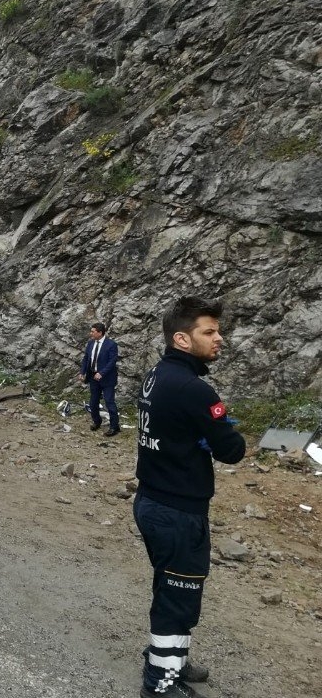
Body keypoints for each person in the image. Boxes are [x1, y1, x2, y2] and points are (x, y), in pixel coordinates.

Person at [134, 297, 246, 698]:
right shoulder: (194, 389)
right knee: (179, 596)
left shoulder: (157, 374)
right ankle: (160, 683)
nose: (220, 338)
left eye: (218, 330)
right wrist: (223, 428)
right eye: (209, 332)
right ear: (182, 339)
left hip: (153, 500)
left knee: (173, 587)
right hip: (177, 509)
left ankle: (171, 659)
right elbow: (231, 450)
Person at [78, 322, 120, 437]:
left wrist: (101, 373)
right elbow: (86, 359)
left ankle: (114, 426)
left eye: (93, 331)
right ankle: (97, 421)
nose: (90, 333)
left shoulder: (111, 345)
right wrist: (82, 372)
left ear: (100, 332)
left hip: (107, 379)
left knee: (109, 402)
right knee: (93, 402)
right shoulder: (91, 343)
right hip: (93, 377)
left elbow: (112, 362)